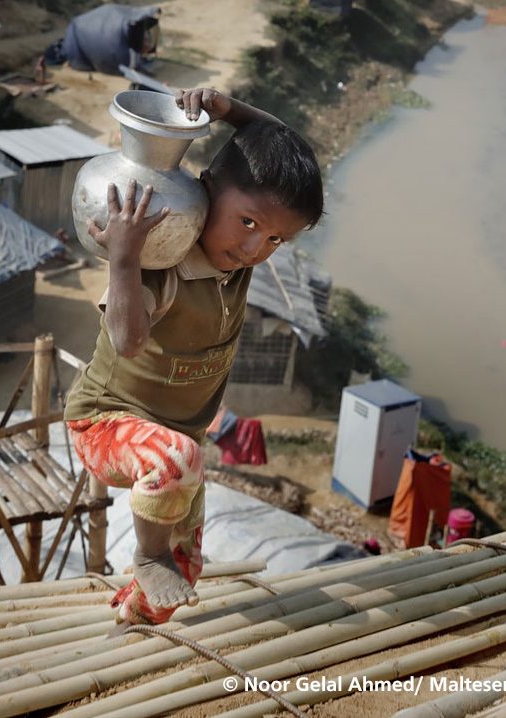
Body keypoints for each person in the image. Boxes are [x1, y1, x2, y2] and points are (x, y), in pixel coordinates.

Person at [64, 88, 324, 627]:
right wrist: (124, 259)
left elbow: (280, 138)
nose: (256, 247)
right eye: (248, 223)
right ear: (205, 192)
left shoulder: (237, 261)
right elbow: (127, 340)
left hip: (180, 448)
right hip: (105, 423)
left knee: (184, 568)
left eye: (277, 238)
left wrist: (230, 111)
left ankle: (135, 625)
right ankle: (146, 553)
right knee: (176, 463)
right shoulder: (166, 264)